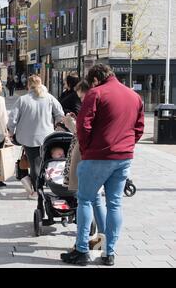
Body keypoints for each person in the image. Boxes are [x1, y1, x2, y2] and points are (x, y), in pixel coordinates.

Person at [60, 64, 144, 267]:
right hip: (123, 157)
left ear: (95, 80)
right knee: (114, 203)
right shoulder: (134, 96)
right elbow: (139, 127)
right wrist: (127, 145)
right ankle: (109, 252)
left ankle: (82, 251)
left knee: (85, 200)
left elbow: (83, 124)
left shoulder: (96, 93)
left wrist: (88, 149)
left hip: (98, 155)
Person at [62, 79, 107, 253]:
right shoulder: (102, 104)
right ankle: (103, 241)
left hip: (85, 157)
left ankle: (81, 247)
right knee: (96, 200)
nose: (80, 100)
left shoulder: (91, 105)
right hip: (99, 157)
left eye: (81, 96)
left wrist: (70, 123)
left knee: (85, 200)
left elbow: (83, 132)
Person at [7, 75, 65, 198]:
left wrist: (11, 131)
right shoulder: (49, 98)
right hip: (47, 137)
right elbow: (60, 113)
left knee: (34, 164)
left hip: (28, 138)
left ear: (28, 85)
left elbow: (12, 118)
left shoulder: (23, 99)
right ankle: (46, 183)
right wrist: (56, 125)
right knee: (44, 161)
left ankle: (36, 190)